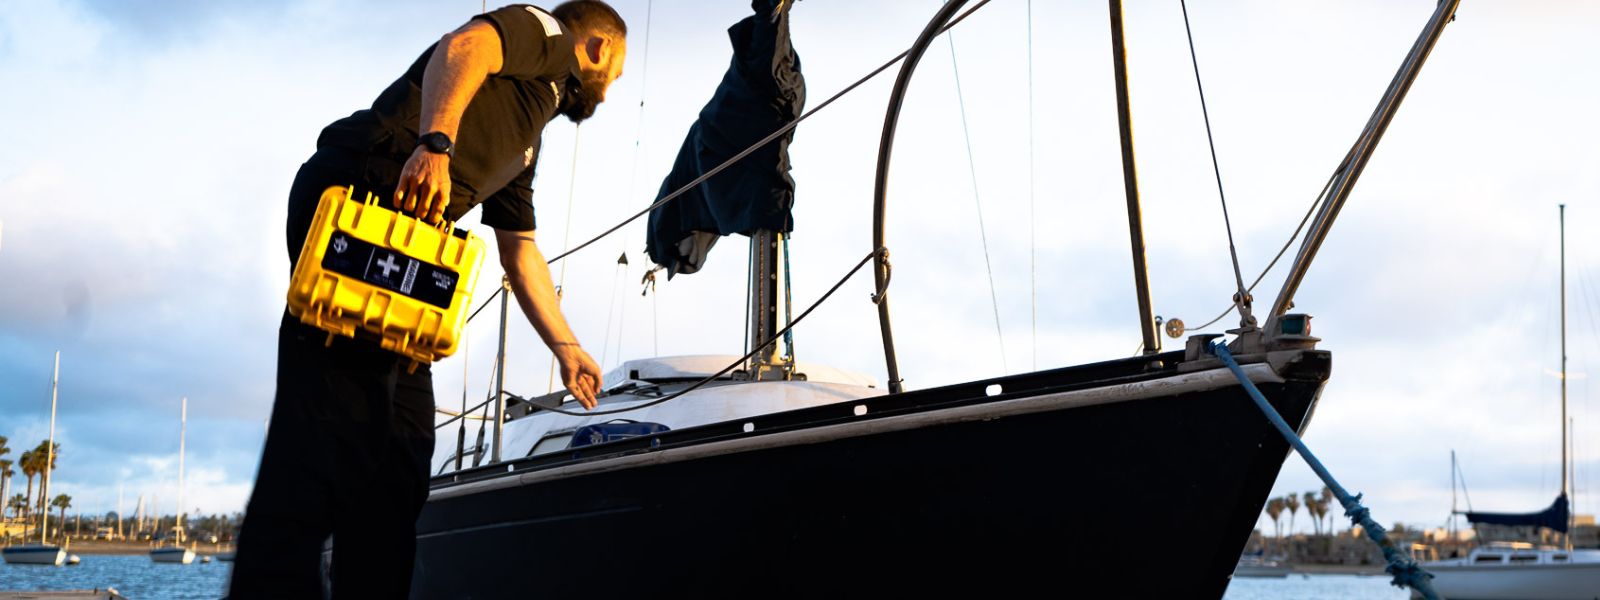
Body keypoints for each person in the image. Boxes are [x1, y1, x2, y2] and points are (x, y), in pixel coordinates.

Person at [227, 3, 626, 597]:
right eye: (616, 73)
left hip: (409, 253)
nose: (610, 90)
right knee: (331, 425)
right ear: (599, 48)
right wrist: (436, 144)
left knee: (402, 454)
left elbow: (520, 250)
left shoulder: (526, 135)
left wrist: (566, 348)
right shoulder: (546, 33)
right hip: (367, 204)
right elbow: (465, 46)